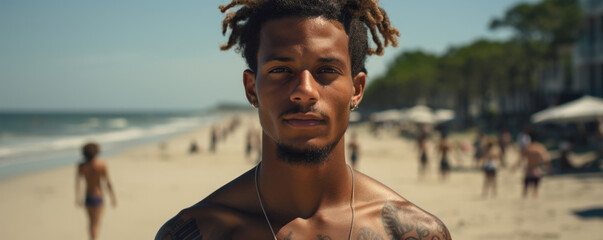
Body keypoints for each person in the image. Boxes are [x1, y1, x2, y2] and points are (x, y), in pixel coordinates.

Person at [156, 1, 450, 239]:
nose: (304, 92)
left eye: (327, 71)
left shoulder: (411, 233)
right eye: (281, 70)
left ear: (357, 90)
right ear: (251, 89)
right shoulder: (197, 231)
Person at [75, 142, 117, 240]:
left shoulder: (82, 166)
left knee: (91, 222)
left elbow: (78, 183)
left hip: (88, 197)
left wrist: (78, 197)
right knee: (96, 223)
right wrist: (113, 197)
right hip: (98, 196)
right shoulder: (101, 165)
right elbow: (108, 182)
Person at [514, 133, 553, 199]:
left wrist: (514, 168)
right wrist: (549, 169)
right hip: (537, 171)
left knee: (525, 191)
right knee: (536, 191)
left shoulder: (527, 149)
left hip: (528, 171)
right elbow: (546, 160)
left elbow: (520, 160)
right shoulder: (540, 148)